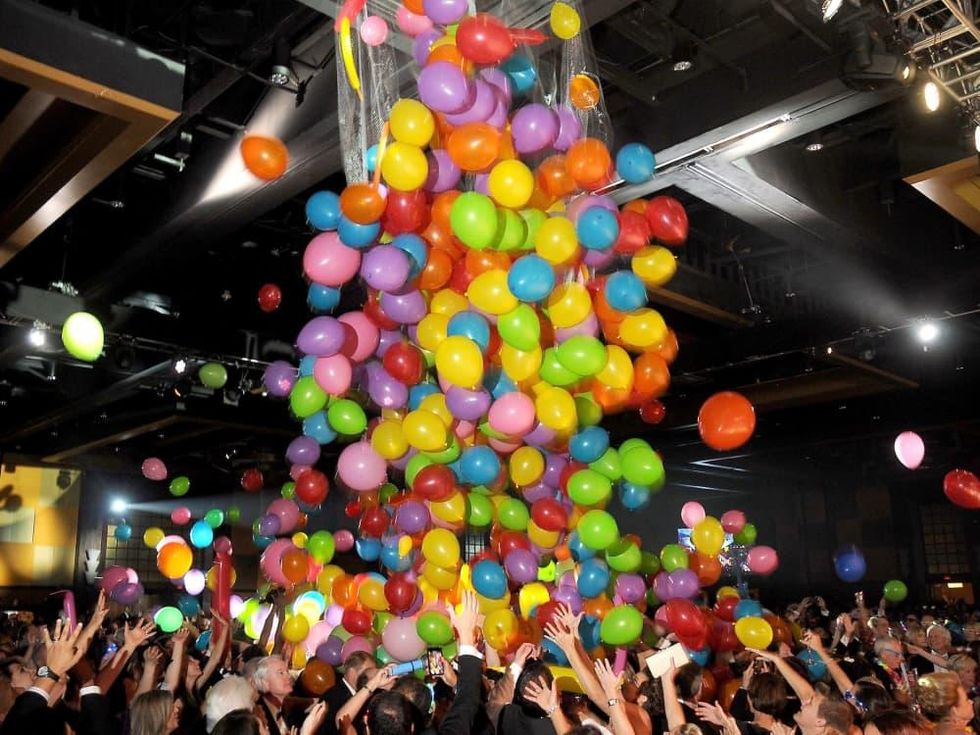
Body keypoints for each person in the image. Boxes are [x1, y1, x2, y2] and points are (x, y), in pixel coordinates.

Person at [319, 651, 377, 735]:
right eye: (367, 673)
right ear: (352, 672)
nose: (372, 679)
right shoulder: (334, 697)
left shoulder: (363, 695)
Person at [250, 656, 296, 735]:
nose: (288, 676)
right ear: (264, 682)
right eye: (280, 673)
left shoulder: (288, 710)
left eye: (287, 672)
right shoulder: (259, 718)